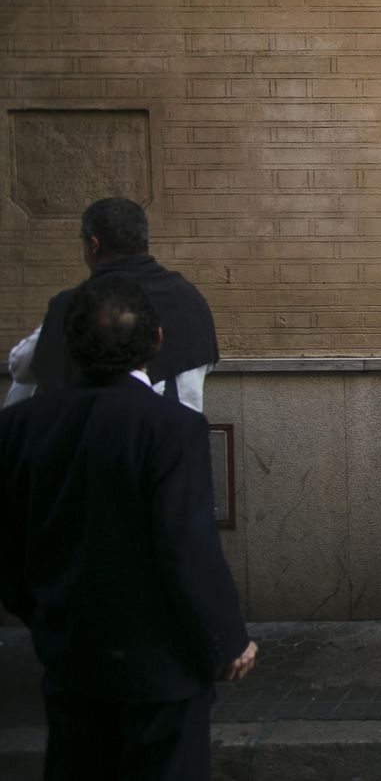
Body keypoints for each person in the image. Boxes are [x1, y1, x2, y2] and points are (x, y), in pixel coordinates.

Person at [0, 275, 255, 780]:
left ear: (68, 345)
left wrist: (45, 615)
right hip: (161, 669)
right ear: (157, 341)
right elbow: (186, 546)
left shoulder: (20, 425)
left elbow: (10, 548)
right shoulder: (170, 427)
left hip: (70, 658)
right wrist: (226, 640)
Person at [7, 197, 218, 412]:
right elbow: (195, 380)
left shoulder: (75, 304)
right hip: (175, 434)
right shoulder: (188, 299)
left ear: (94, 244)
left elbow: (22, 366)